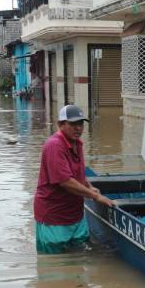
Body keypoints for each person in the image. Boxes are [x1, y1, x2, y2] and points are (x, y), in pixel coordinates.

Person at [34, 104, 114, 253]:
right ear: (60, 124)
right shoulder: (54, 145)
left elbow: (77, 172)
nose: (78, 128)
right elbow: (65, 181)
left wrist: (88, 185)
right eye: (73, 124)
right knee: (55, 266)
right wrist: (95, 196)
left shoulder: (77, 143)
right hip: (54, 217)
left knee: (78, 260)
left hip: (75, 215)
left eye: (80, 123)